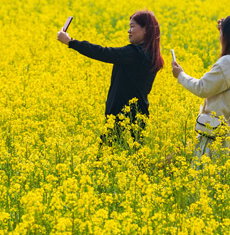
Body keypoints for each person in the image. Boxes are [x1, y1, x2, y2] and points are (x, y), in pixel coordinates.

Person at [57, 11, 164, 147]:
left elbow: (103, 52)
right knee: (134, 157)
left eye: (132, 27)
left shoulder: (135, 54)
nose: (128, 31)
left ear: (145, 29)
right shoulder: (151, 55)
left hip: (120, 117)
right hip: (138, 116)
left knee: (107, 156)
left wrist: (71, 42)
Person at [171, 15, 230, 160]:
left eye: (222, 34)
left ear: (228, 36)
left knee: (205, 170)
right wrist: (225, 30)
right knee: (228, 171)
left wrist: (180, 75)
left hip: (216, 133)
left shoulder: (228, 63)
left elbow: (202, 88)